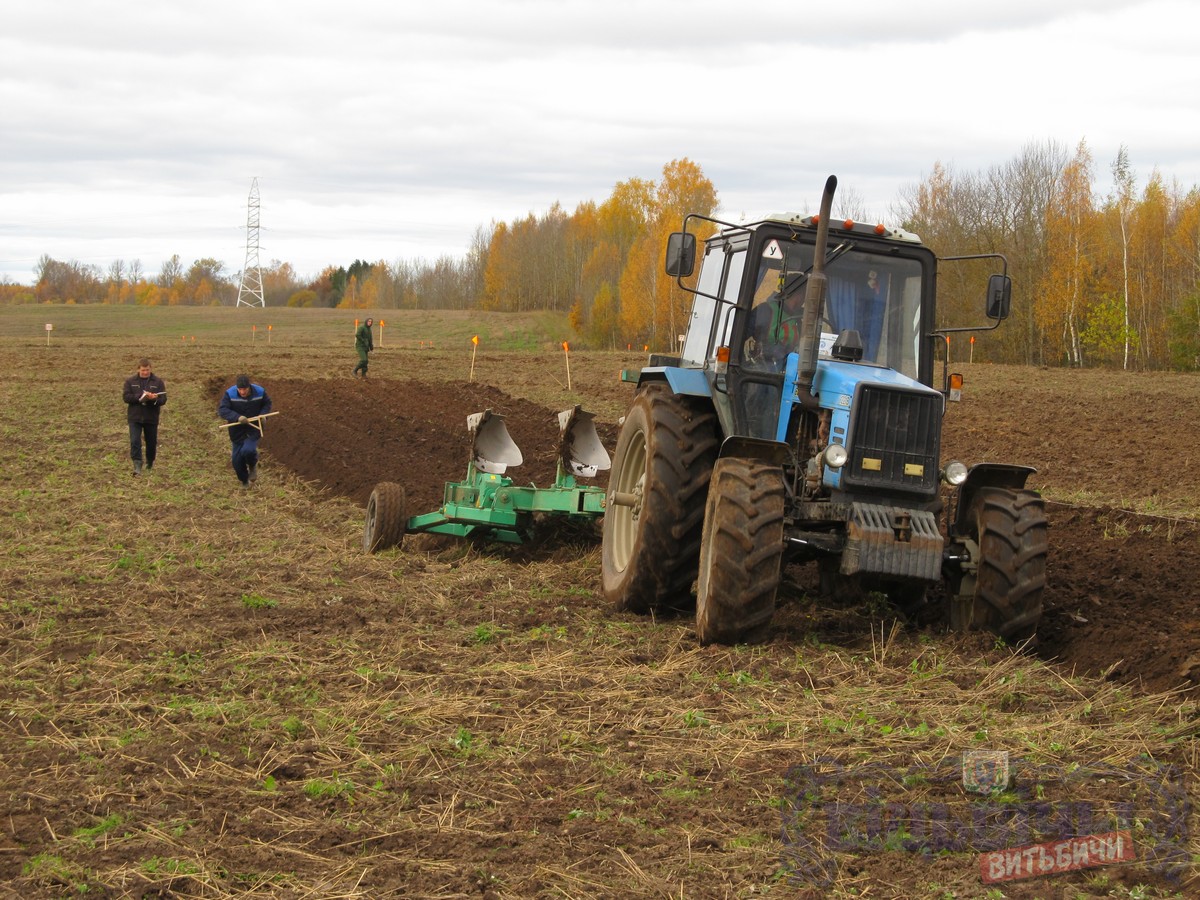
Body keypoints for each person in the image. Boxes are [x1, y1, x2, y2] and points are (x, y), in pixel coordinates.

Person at [218, 374, 273, 489]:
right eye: (240, 389)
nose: (242, 392)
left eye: (245, 389)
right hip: (237, 430)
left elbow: (267, 404)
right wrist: (237, 417)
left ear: (249, 387)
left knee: (248, 450)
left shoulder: (260, 392)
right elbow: (223, 410)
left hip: (254, 427)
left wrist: (263, 416)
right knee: (236, 461)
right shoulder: (230, 393)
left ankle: (252, 465)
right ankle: (244, 480)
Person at [122, 357, 167, 476]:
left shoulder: (157, 382)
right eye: (143, 370)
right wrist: (140, 396)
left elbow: (163, 399)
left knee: (151, 442)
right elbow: (126, 397)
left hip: (151, 417)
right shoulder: (130, 381)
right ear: (138, 369)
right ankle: (137, 464)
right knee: (135, 441)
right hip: (135, 417)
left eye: (147, 370)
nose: (145, 372)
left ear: (150, 369)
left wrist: (154, 398)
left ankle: (150, 462)